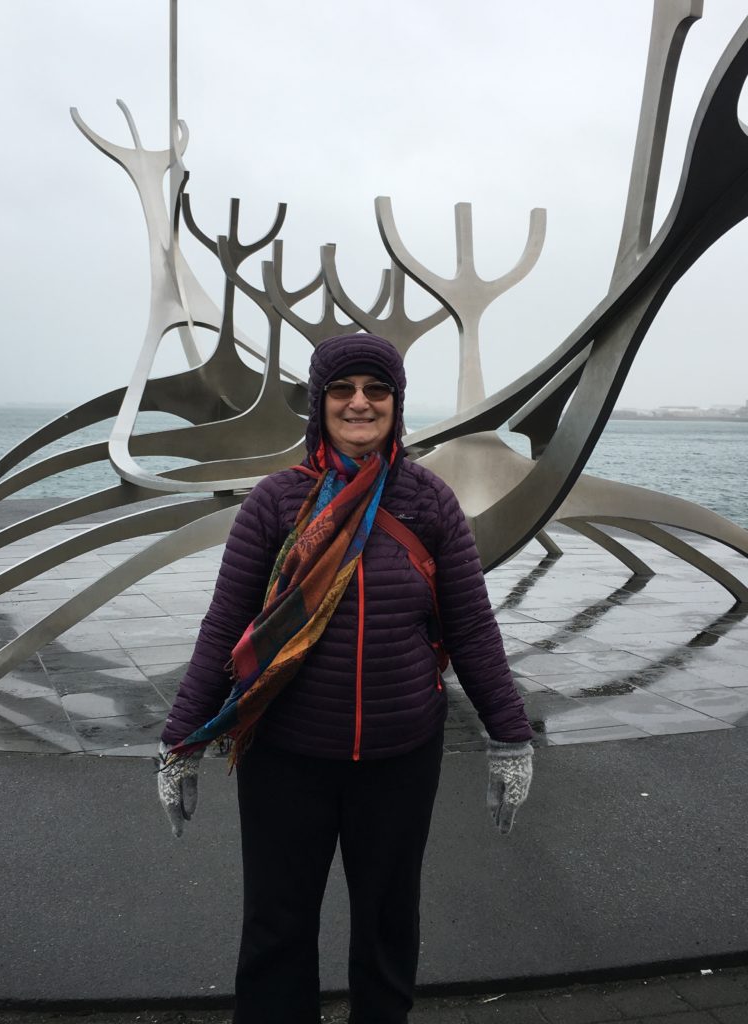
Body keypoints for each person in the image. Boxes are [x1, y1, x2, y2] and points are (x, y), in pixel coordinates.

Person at [157, 333, 534, 1024]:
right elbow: (223, 629)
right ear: (320, 403)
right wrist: (180, 741)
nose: (360, 403)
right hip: (287, 756)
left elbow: (474, 628)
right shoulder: (275, 505)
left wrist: (510, 737)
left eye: (377, 390)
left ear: (396, 403)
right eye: (343, 390)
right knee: (277, 930)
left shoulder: (429, 503)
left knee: (389, 928)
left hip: (399, 757)